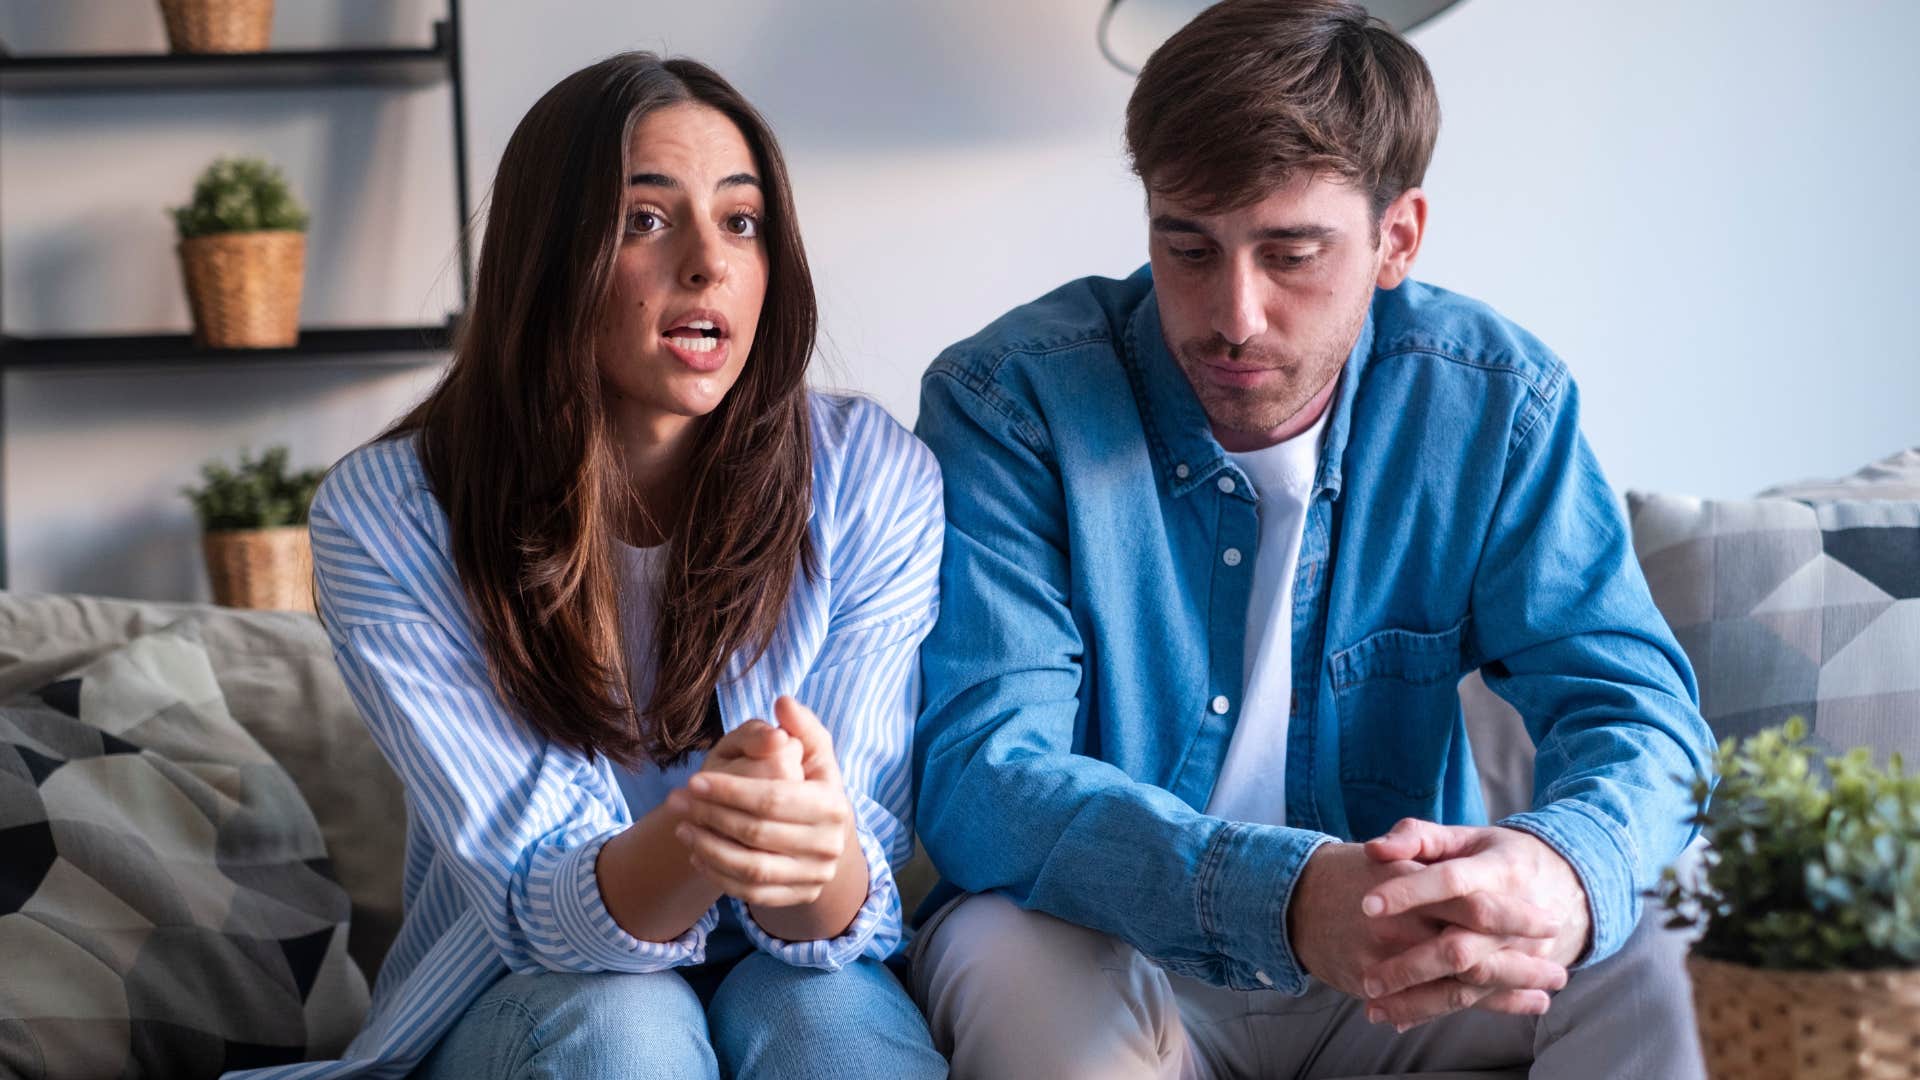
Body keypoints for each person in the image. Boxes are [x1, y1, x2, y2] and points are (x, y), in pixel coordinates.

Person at [908, 2, 1713, 1077]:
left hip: (1405, 967)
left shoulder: (1491, 404)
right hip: (1111, 949)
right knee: (1004, 953)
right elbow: (983, 773)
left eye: (1291, 254)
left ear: (1398, 238)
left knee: (1677, 904)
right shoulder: (1012, 403)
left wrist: (1564, 872)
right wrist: (1283, 900)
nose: (1232, 314)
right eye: (1186, 246)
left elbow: (1639, 710)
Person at [237, 52, 947, 1080]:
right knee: (629, 1030)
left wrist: (804, 842)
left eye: (742, 222)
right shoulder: (392, 516)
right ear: (549, 257)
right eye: (645, 221)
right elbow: (539, 909)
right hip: (526, 995)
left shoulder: (870, 477)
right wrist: (708, 829)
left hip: (791, 969)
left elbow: (850, 908)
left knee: (830, 1027)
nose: (709, 263)